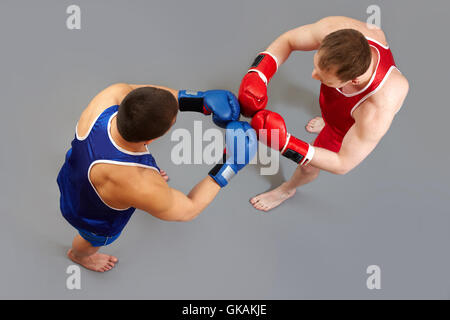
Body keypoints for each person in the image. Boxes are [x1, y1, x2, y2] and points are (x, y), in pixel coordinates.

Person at [57, 83, 257, 272]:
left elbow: (142, 94)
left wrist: (196, 100)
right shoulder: (141, 184)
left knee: (135, 184)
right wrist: (230, 164)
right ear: (152, 139)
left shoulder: (109, 96)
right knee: (91, 240)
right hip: (91, 216)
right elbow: (189, 209)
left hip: (73, 173)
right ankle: (79, 256)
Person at [238, 16, 409, 212]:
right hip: (337, 103)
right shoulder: (337, 30)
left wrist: (285, 143)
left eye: (323, 77)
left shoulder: (376, 108)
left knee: (308, 166)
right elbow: (289, 40)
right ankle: (328, 118)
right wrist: (259, 74)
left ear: (353, 81)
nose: (313, 75)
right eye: (316, 66)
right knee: (328, 108)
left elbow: (343, 163)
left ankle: (287, 189)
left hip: (346, 125)